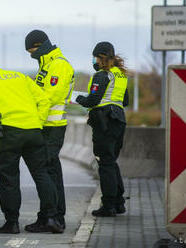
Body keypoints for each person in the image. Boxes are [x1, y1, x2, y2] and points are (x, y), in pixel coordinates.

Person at [0, 61, 63, 234]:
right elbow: (43, 100)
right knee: (42, 174)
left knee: (8, 178)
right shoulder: (20, 76)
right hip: (34, 132)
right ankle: (50, 218)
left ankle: (11, 223)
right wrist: (38, 123)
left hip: (9, 134)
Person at [24, 30, 75, 231]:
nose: (31, 55)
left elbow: (49, 97)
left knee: (45, 173)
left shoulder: (59, 65)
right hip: (47, 127)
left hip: (51, 128)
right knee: (51, 173)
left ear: (40, 45)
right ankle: (51, 217)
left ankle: (52, 218)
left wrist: (33, 120)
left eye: (32, 51)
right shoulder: (47, 64)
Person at [76, 41, 129, 217]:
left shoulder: (102, 75)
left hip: (104, 121)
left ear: (100, 57)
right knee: (111, 161)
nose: (94, 60)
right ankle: (119, 202)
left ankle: (108, 206)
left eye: (95, 57)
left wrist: (78, 99)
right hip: (119, 120)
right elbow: (125, 101)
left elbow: (93, 100)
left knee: (105, 163)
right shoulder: (120, 75)